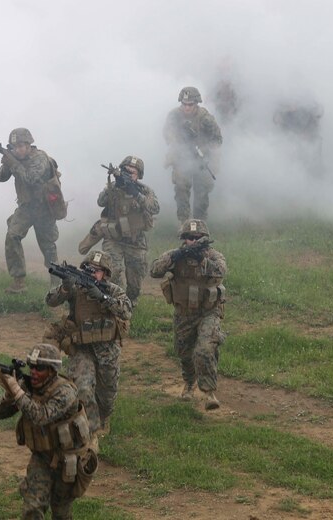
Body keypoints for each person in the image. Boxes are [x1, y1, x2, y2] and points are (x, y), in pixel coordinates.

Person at [0, 343, 98, 520]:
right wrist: (9, 395)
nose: (33, 372)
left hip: (68, 460)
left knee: (61, 512)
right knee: (32, 507)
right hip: (42, 457)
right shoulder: (29, 388)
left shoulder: (65, 392)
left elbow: (40, 416)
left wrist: (17, 391)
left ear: (52, 370)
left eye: (39, 368)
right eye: (31, 366)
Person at [43, 251, 132, 440]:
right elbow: (50, 301)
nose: (93, 274)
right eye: (89, 269)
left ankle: (104, 418)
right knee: (82, 387)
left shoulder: (113, 290)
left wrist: (103, 298)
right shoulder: (76, 288)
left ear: (105, 274)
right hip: (81, 347)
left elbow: (126, 311)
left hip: (107, 349)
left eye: (97, 271)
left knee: (107, 392)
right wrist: (66, 288)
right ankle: (91, 429)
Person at [150, 219, 227, 410]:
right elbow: (155, 270)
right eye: (189, 238)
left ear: (204, 239)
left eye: (197, 237)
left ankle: (209, 392)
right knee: (184, 353)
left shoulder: (213, 256)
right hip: (184, 314)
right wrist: (176, 255)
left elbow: (221, 271)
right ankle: (189, 383)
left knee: (204, 349)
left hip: (209, 312)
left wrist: (202, 260)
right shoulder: (175, 256)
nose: (192, 241)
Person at [77, 156, 160, 307]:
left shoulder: (144, 190)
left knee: (135, 280)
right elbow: (100, 201)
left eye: (133, 173)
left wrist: (136, 193)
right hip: (113, 239)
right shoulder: (113, 186)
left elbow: (155, 208)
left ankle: (130, 303)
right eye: (126, 171)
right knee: (113, 272)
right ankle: (114, 302)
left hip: (136, 241)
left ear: (139, 175)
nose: (129, 175)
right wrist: (114, 186)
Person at [0, 127, 64, 293]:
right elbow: (1, 178)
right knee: (12, 236)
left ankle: (56, 284)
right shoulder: (15, 158)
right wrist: (7, 161)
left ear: (28, 144)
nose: (18, 149)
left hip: (44, 209)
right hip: (26, 208)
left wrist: (14, 163)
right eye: (15, 147)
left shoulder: (40, 158)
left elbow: (31, 179)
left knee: (48, 246)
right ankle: (18, 282)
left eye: (21, 146)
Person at [163, 87, 223, 223]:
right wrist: (178, 138)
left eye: (190, 105)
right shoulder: (174, 116)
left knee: (201, 194)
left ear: (196, 103)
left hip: (202, 160)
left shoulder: (205, 118)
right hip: (182, 158)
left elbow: (217, 139)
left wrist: (203, 148)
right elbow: (166, 134)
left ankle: (200, 225)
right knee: (181, 190)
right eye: (184, 104)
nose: (187, 108)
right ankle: (184, 224)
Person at [272, 101, 325, 177]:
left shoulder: (307, 109)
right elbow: (276, 119)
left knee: (312, 165)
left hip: (309, 144)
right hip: (292, 145)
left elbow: (318, 113)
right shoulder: (285, 113)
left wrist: (307, 133)